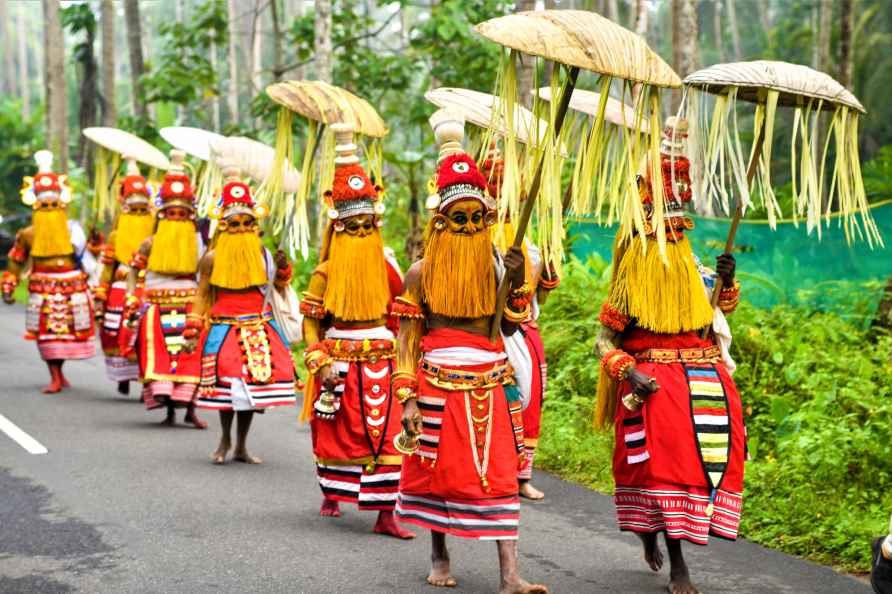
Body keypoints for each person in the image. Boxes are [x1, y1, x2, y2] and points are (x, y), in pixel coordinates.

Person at [393, 111, 547, 593]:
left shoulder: (499, 265)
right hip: (436, 380)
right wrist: (408, 399)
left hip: (492, 379)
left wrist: (518, 279)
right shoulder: (419, 273)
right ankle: (439, 555)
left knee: (501, 472)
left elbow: (512, 323)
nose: (469, 225)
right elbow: (406, 340)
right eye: (459, 218)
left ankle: (510, 575)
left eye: (478, 217)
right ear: (441, 221)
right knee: (438, 472)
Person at [593, 117, 743, 594]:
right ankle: (674, 557)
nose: (673, 240)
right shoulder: (630, 277)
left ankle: (678, 524)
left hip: (702, 370)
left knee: (727, 435)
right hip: (653, 379)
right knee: (664, 457)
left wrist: (726, 281)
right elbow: (603, 341)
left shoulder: (694, 270)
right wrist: (629, 373)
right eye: (664, 232)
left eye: (679, 232)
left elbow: (709, 318)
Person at [299, 123, 412, 539]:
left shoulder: (389, 271)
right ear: (337, 228)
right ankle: (333, 493)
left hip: (382, 363)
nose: (362, 232)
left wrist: (407, 365)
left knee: (389, 434)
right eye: (354, 226)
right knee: (334, 433)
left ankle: (387, 515)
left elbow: (401, 320)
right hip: (339, 366)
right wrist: (319, 362)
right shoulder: (324, 273)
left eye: (368, 225)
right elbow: (311, 326)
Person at [184, 167, 297, 464]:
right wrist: (193, 326)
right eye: (234, 224)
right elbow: (203, 295)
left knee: (249, 394)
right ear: (222, 225)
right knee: (227, 391)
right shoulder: (211, 258)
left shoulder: (262, 253)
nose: (241, 228)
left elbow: (278, 285)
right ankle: (224, 440)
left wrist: (283, 269)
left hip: (259, 330)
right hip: (223, 332)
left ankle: (242, 446)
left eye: (248, 223)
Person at [481, 146, 560, 501]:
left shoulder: (532, 246)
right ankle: (492, 471)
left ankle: (522, 476)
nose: (505, 200)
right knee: (498, 401)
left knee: (530, 402)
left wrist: (544, 262)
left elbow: (539, 300)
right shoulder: (478, 241)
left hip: (526, 333)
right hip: (489, 333)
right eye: (498, 190)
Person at [2, 150, 97, 393]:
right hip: (42, 287)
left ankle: (60, 372)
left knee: (68, 332)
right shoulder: (28, 233)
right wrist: (9, 284)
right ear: (35, 203)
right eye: (44, 204)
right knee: (47, 334)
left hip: (72, 285)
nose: (49, 207)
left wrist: (95, 245)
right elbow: (16, 260)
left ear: (62, 202)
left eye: (53, 203)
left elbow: (87, 256)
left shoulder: (72, 230)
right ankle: (55, 375)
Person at [125, 150, 206, 428]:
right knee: (159, 357)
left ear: (190, 215)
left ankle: (190, 409)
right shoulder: (149, 243)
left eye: (182, 214)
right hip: (156, 309)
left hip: (190, 309)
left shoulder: (199, 246)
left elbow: (208, 275)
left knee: (192, 357)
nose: (176, 217)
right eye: (171, 213)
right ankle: (169, 411)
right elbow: (133, 270)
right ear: (161, 214)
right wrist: (132, 297)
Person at [94, 158, 155, 396]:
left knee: (147, 338)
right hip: (120, 292)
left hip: (149, 289)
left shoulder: (155, 234)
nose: (139, 214)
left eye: (143, 209)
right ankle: (124, 378)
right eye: (134, 209)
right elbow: (107, 269)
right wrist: (101, 295)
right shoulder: (116, 236)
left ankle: (145, 381)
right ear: (125, 208)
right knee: (117, 334)